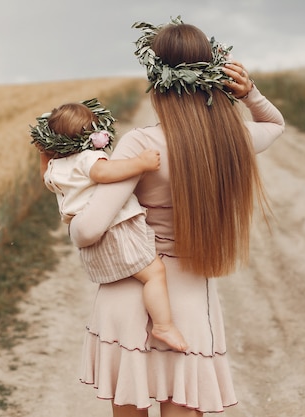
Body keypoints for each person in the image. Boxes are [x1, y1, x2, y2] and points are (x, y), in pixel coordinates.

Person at [68, 17, 285, 416]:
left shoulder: (141, 144)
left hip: (129, 295)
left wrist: (70, 213)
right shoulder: (233, 140)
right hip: (189, 303)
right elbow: (274, 124)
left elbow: (89, 230)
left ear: (156, 79)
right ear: (213, 74)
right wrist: (251, 93)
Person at [30, 99, 189, 352]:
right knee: (155, 273)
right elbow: (104, 173)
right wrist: (141, 163)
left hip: (93, 237)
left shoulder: (55, 168)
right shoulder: (88, 157)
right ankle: (163, 325)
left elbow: (44, 178)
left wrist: (43, 154)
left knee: (135, 275)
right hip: (115, 229)